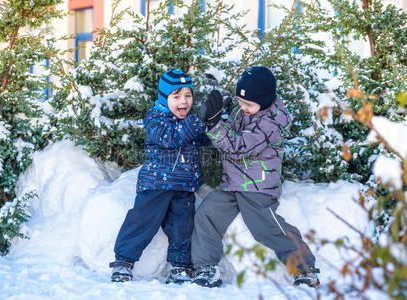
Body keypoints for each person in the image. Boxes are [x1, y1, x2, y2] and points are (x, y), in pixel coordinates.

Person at [192, 66, 320, 288]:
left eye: (248, 104)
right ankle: (206, 267)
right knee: (206, 213)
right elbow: (232, 128)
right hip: (232, 184)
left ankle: (304, 268)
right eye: (240, 102)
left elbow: (238, 146)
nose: (242, 107)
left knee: (265, 226)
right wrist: (221, 113)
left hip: (257, 187)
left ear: (265, 101)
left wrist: (214, 125)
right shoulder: (245, 110)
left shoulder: (269, 125)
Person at [109, 69, 208, 284]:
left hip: (184, 185)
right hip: (156, 183)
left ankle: (180, 266)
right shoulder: (155, 118)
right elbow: (172, 137)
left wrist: (215, 118)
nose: (184, 101)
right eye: (177, 96)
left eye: (188, 96)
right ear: (165, 97)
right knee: (142, 221)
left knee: (183, 226)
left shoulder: (191, 120)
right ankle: (123, 261)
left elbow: (204, 139)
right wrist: (198, 121)